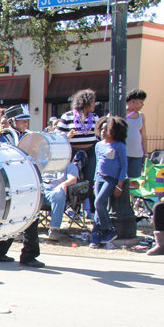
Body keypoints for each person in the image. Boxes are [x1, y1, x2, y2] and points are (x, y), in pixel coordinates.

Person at [0, 105, 45, 267]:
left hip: (26, 181)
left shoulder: (29, 137)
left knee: (29, 216)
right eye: (21, 120)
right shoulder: (2, 137)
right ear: (12, 121)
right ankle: (1, 252)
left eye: (26, 120)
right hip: (9, 183)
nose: (26, 123)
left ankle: (23, 254)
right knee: (12, 218)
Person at [89, 115, 128, 248]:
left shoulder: (119, 146)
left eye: (107, 129)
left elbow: (124, 166)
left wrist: (119, 185)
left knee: (98, 202)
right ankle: (96, 234)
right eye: (102, 129)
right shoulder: (98, 145)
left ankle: (109, 229)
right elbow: (98, 163)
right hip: (99, 178)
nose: (103, 132)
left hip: (111, 179)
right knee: (99, 206)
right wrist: (95, 179)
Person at [56, 89, 99, 189]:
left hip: (90, 152)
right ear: (85, 103)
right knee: (72, 179)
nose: (95, 104)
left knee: (90, 179)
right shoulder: (67, 117)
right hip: (72, 152)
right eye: (92, 101)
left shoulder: (95, 117)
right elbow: (56, 137)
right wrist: (67, 136)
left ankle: (89, 199)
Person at [41, 156, 81, 241]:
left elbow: (73, 179)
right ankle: (23, 230)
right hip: (40, 191)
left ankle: (54, 229)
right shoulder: (42, 163)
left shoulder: (69, 166)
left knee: (59, 193)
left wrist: (63, 184)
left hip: (54, 191)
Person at [125, 89, 147, 179]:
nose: (142, 105)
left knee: (134, 181)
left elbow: (143, 136)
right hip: (122, 153)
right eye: (141, 102)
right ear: (133, 101)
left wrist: (145, 153)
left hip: (137, 155)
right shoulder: (118, 112)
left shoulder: (141, 116)